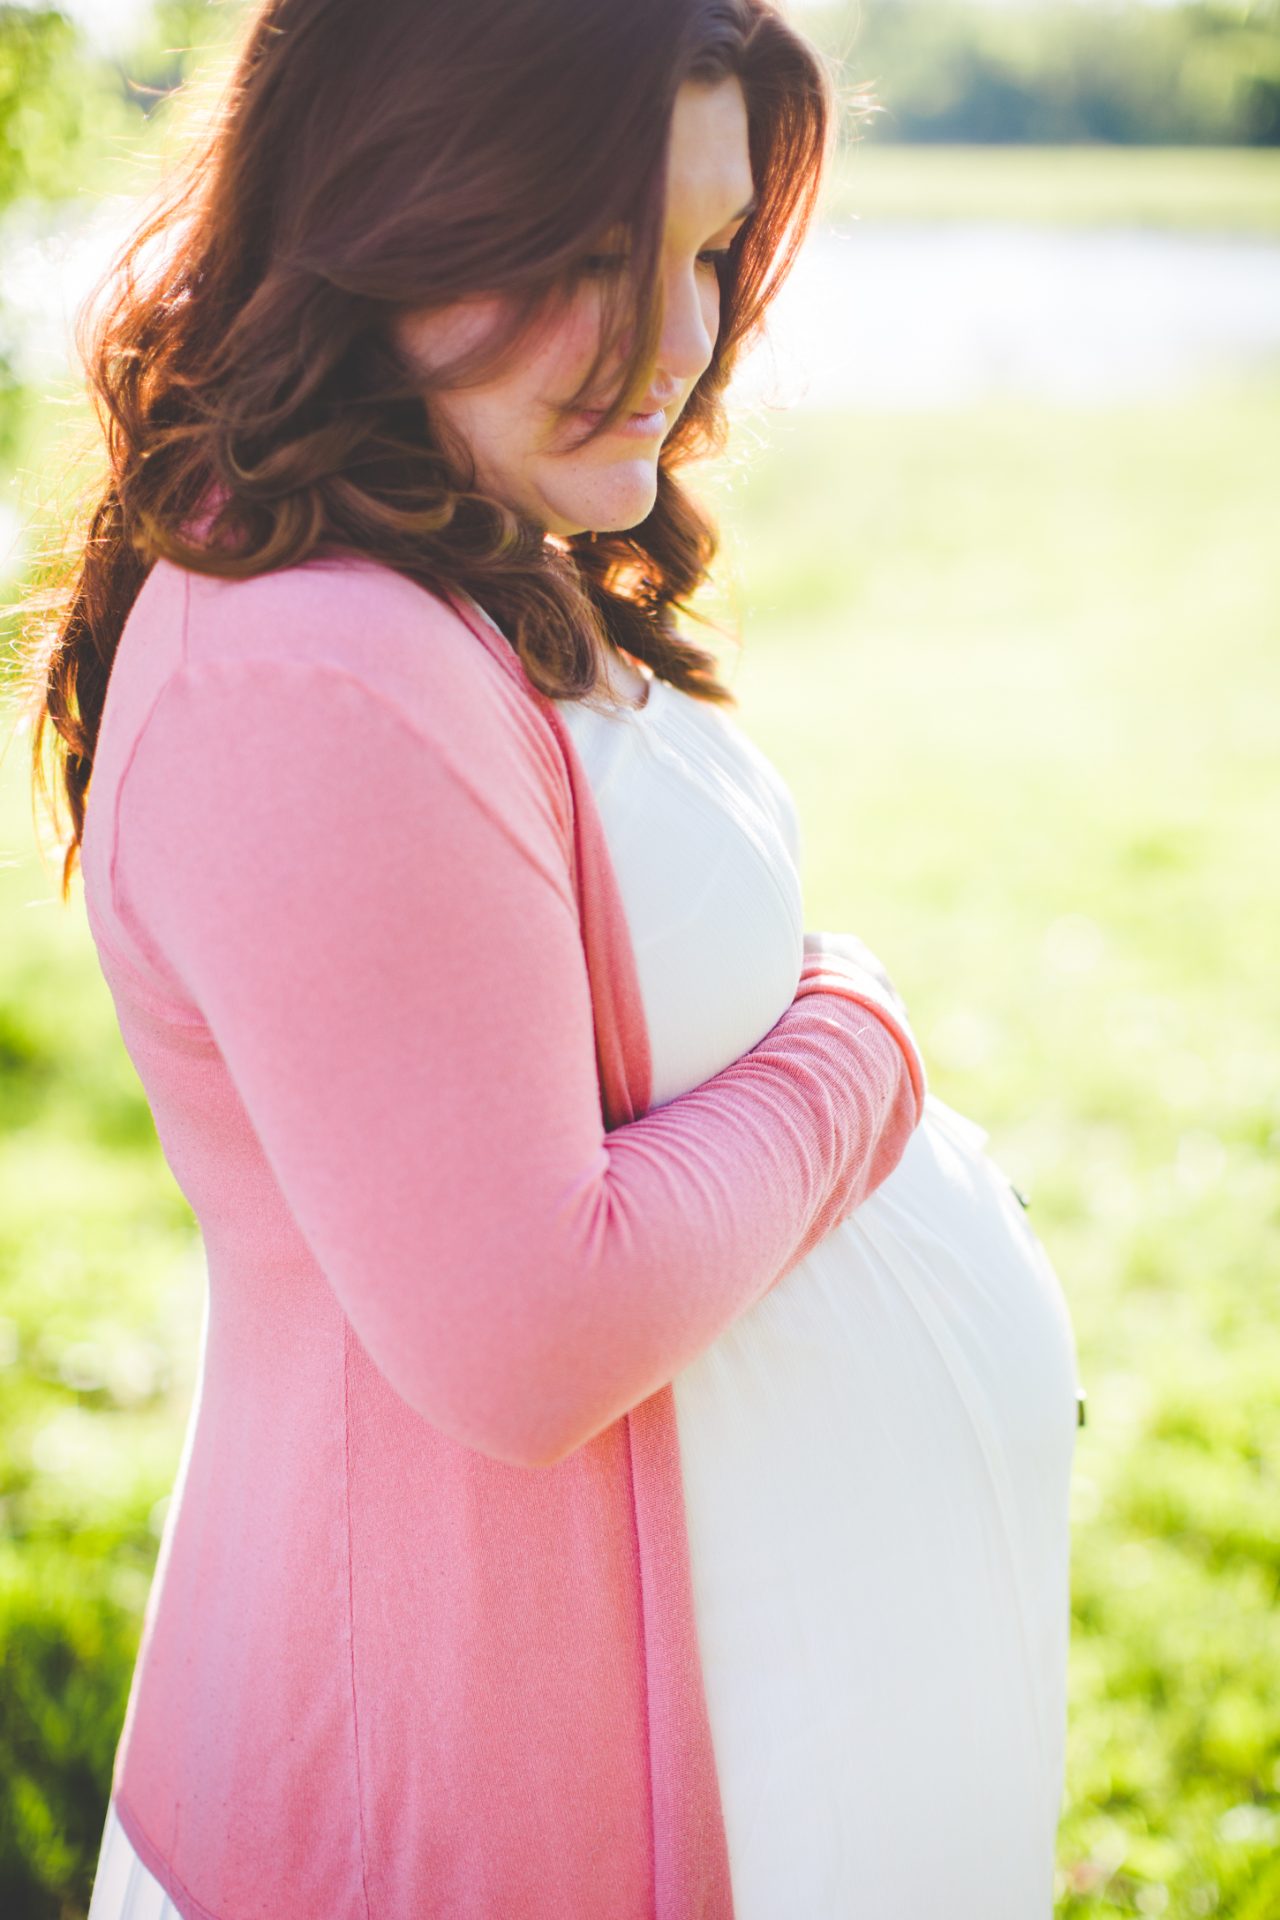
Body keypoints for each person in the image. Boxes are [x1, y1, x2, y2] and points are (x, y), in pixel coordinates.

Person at [14, 2, 1082, 1915]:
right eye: (595, 256)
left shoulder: (453, 563)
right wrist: (863, 1051)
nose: (682, 342)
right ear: (393, 209)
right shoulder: (309, 666)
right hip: (451, 1801)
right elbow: (530, 1334)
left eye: (703, 250)